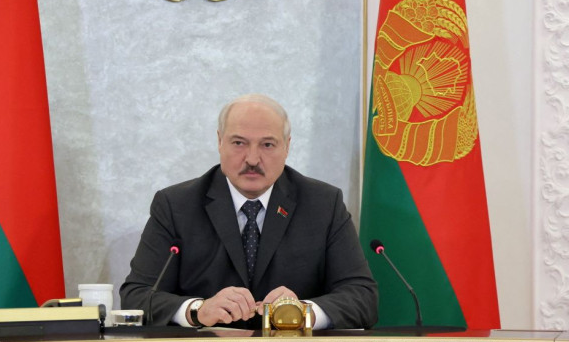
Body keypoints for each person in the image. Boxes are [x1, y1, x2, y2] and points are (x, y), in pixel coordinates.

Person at [120, 94, 378, 329]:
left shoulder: (323, 204)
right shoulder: (176, 205)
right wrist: (198, 310)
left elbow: (362, 297)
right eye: (239, 143)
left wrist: (303, 313)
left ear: (287, 147)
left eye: (267, 145)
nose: (252, 159)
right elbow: (137, 295)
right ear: (220, 142)